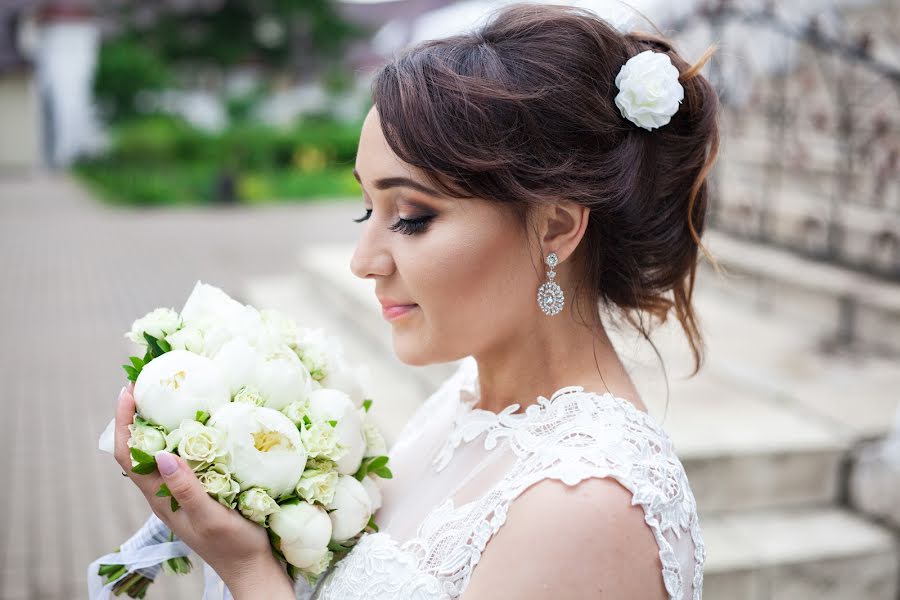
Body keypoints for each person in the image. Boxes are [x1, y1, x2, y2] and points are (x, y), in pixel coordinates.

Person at [113, 3, 718, 598]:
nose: (362, 261)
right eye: (366, 208)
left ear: (556, 227)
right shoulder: (463, 401)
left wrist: (250, 572)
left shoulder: (590, 502)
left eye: (411, 217)